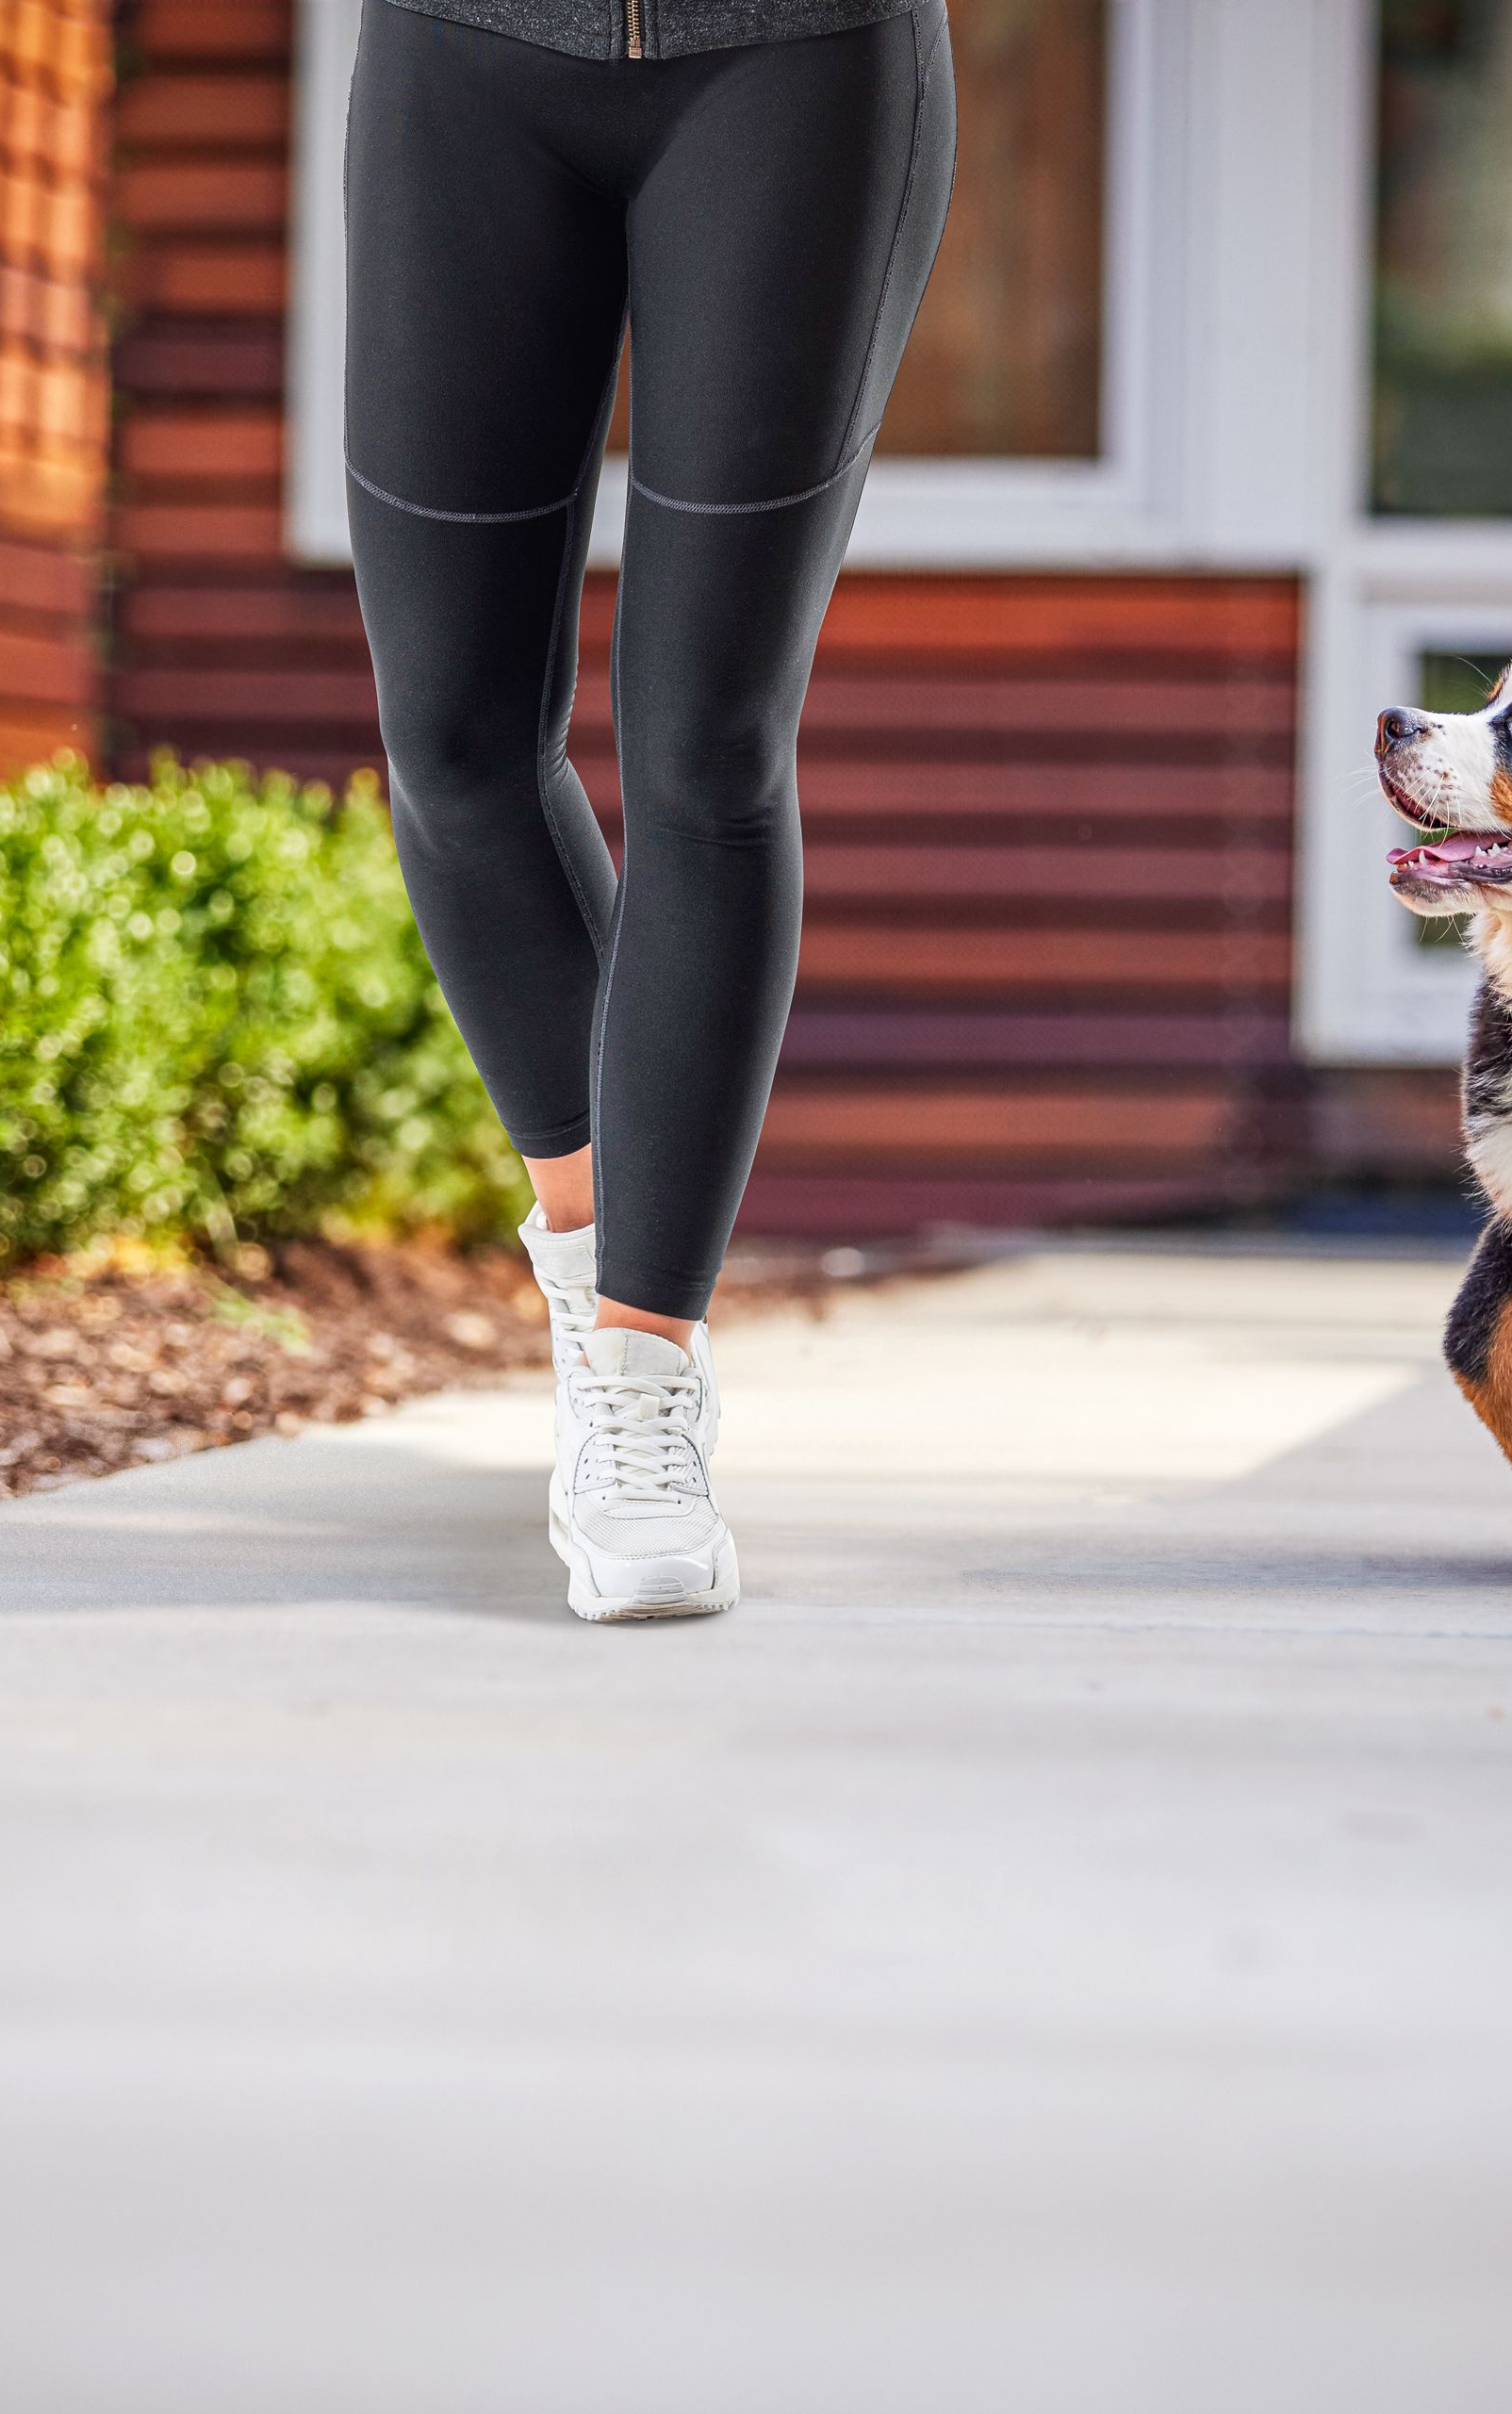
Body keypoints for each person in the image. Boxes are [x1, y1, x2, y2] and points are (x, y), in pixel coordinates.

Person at [344, 0, 956, 1621]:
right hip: (465, 51)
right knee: (456, 738)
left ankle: (641, 1382)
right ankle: (595, 1251)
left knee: (704, 741)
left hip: (799, 58)